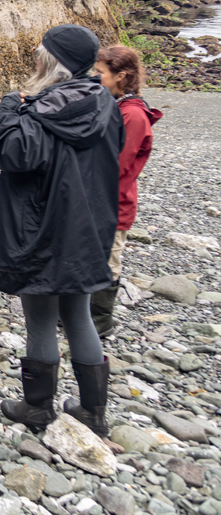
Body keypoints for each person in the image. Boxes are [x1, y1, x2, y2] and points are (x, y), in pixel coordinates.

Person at [0, 25, 123, 437]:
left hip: (42, 226)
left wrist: (8, 109)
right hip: (87, 226)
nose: (36, 58)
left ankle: (37, 407)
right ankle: (93, 412)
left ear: (55, 62)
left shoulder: (45, 108)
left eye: (42, 53)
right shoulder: (105, 102)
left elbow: (13, 154)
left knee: (40, 315)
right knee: (78, 314)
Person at [93, 45, 162, 337]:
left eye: (100, 73)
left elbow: (116, 164)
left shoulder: (132, 115)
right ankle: (80, 314)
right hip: (101, 198)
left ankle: (100, 321)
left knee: (108, 259)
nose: (95, 78)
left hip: (114, 202)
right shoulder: (118, 106)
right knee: (94, 254)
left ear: (121, 76)